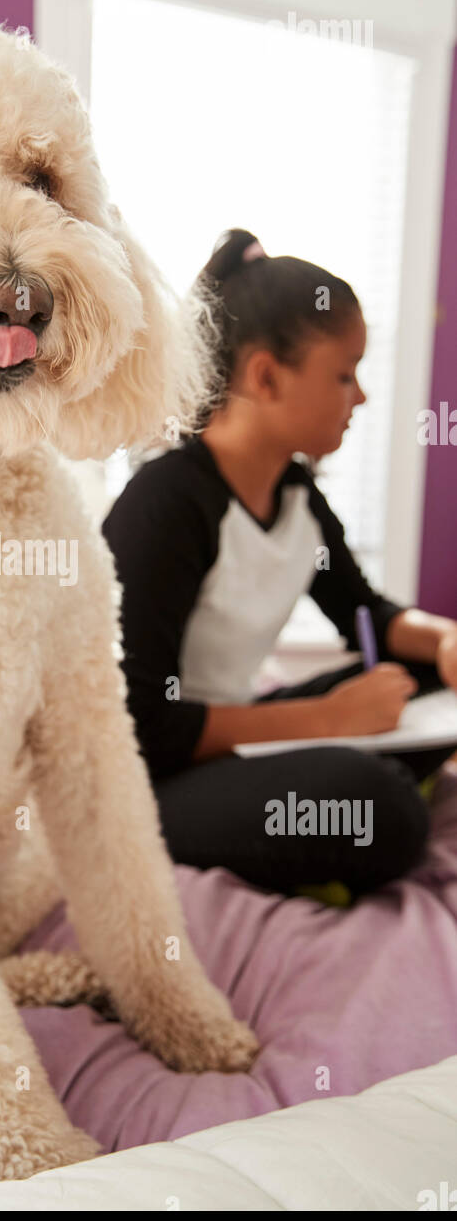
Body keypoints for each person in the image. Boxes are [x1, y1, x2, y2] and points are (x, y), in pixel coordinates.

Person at [102, 228, 457, 898]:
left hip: (234, 739)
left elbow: (365, 616)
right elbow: (139, 725)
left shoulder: (297, 495)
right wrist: (326, 722)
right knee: (381, 812)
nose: (362, 399)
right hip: (148, 778)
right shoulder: (168, 502)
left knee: (418, 670)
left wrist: (444, 639)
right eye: (345, 373)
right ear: (266, 375)